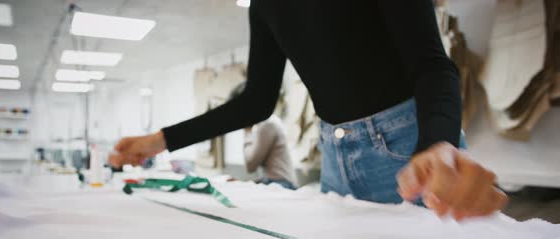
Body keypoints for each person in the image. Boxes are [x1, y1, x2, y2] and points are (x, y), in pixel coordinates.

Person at [110, 1, 508, 220]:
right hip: (334, 153)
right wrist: (160, 141)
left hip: (408, 150)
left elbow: (432, 64)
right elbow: (257, 100)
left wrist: (437, 144)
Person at [244, 114, 297, 190]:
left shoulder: (268, 124)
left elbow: (250, 166)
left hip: (282, 183)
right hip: (278, 180)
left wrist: (248, 132)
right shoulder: (269, 122)